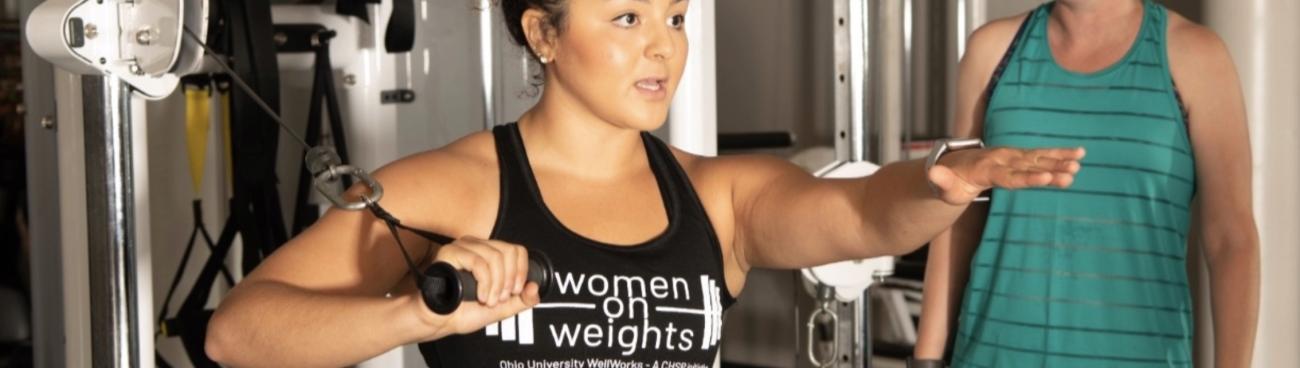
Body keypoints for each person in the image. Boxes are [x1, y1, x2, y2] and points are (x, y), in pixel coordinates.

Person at [203, 0, 1084, 366]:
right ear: (544, 32)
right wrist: (410, 313)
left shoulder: (718, 197)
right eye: (625, 16)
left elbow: (856, 213)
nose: (662, 45)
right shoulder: (452, 188)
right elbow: (237, 335)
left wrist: (938, 183)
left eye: (672, 15)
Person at [912, 0, 1258, 367]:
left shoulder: (1196, 55)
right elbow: (958, 219)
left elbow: (1231, 240)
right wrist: (926, 360)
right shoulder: (991, 51)